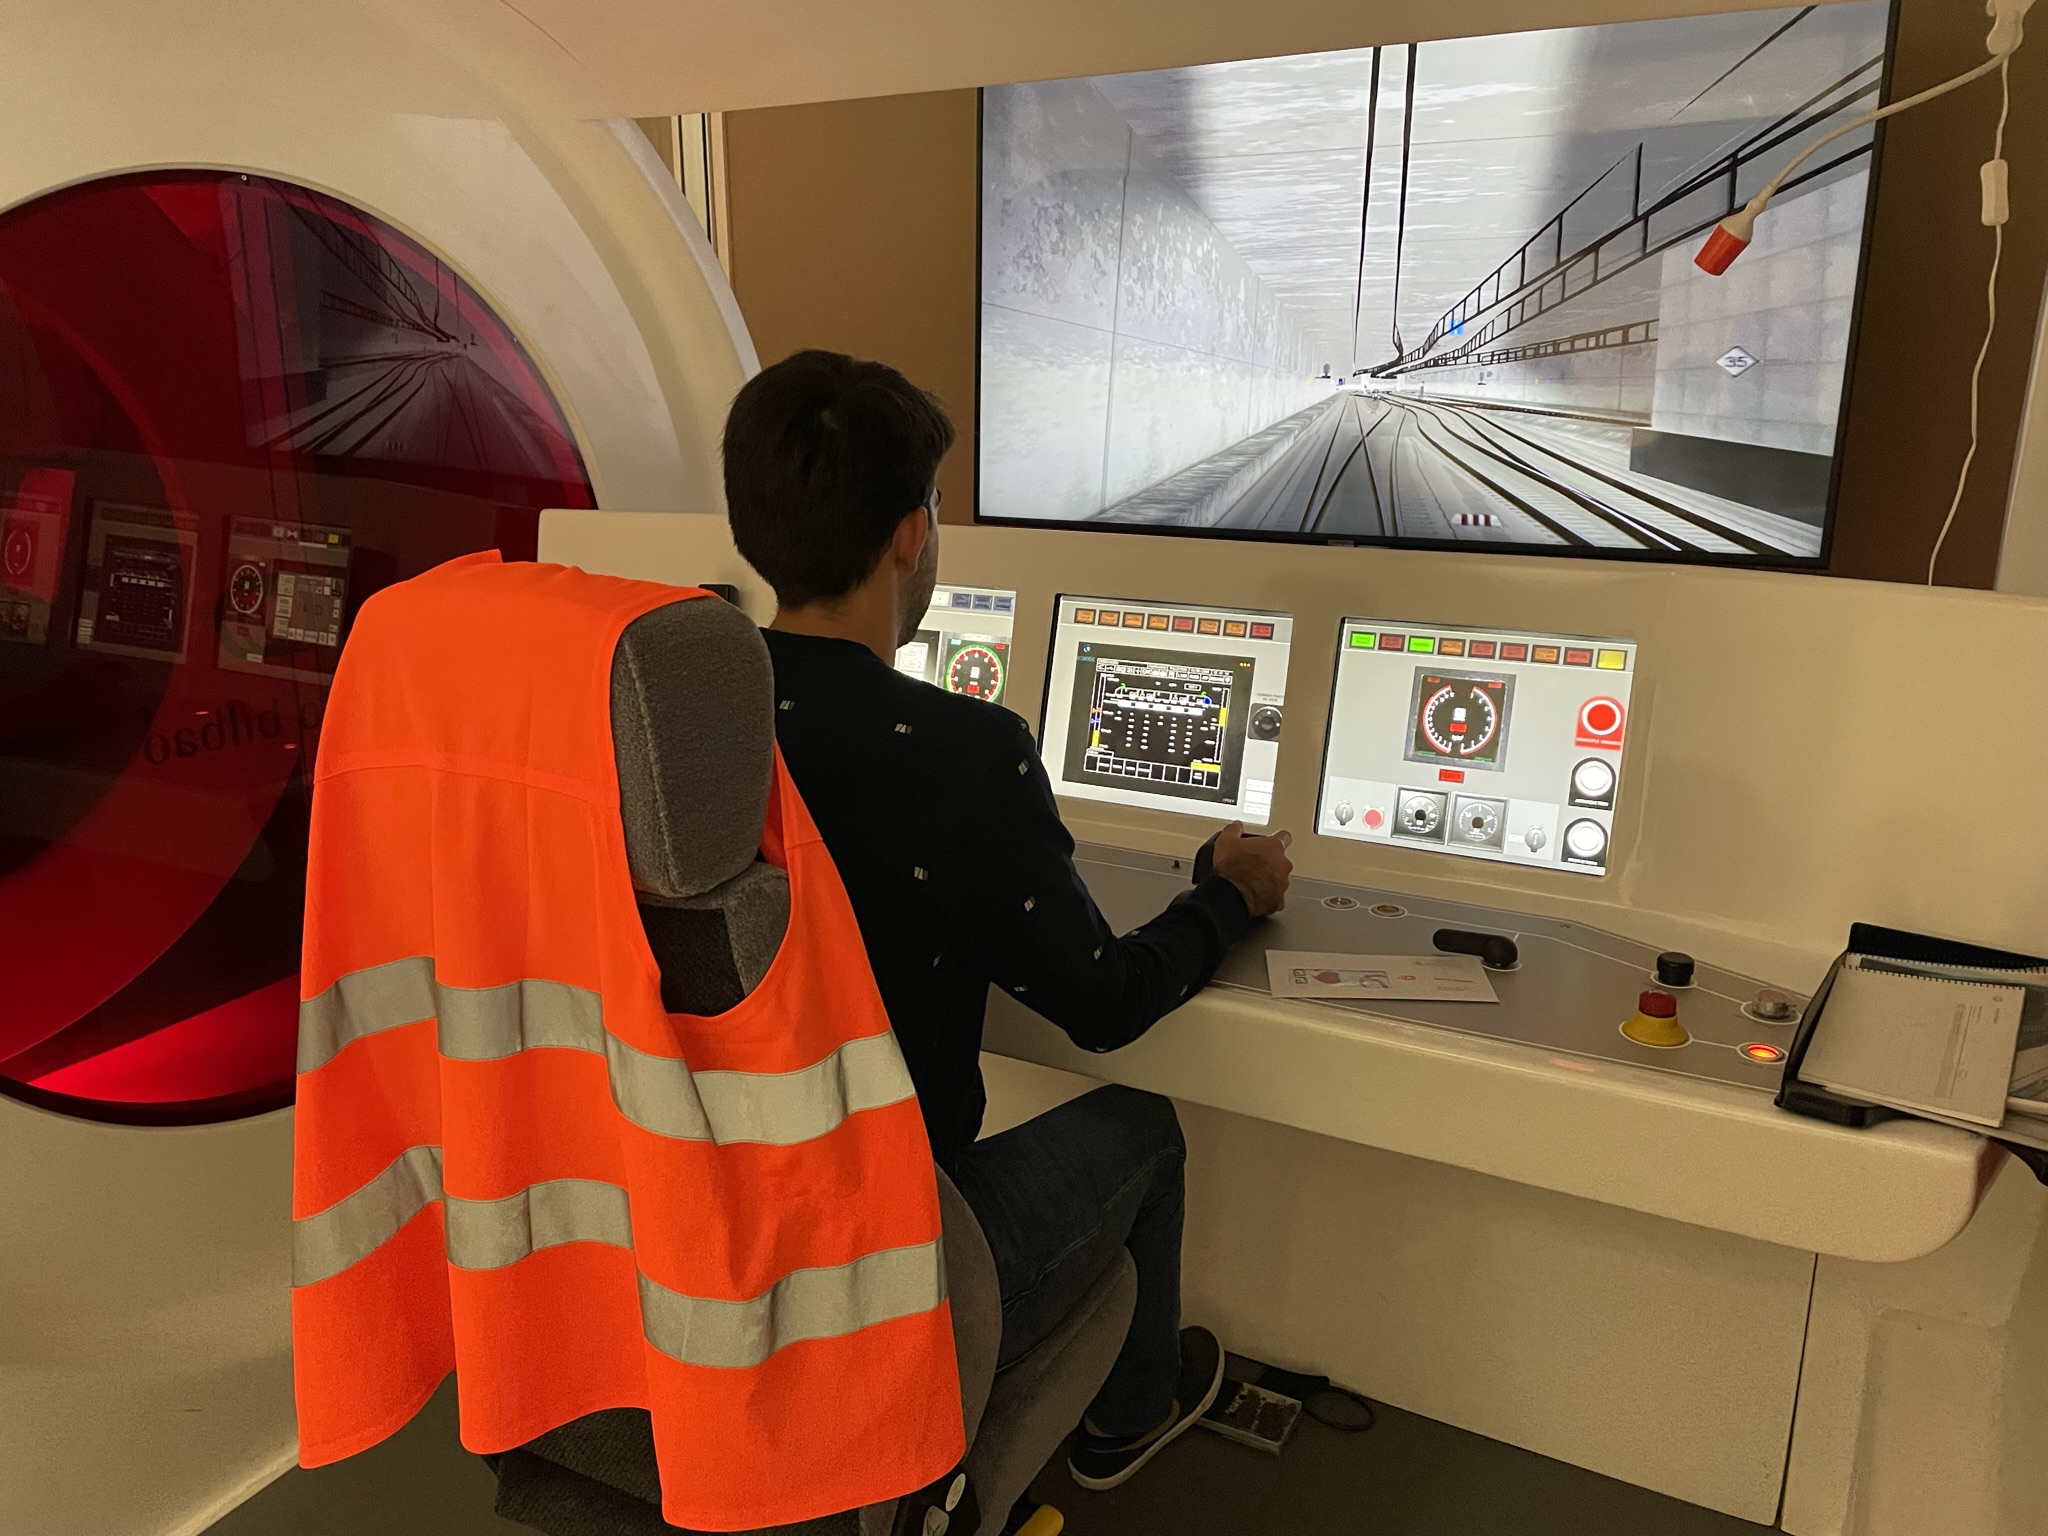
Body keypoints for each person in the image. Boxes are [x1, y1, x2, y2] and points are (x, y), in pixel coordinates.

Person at [721, 350, 1294, 1496]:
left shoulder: (686, 722)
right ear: (908, 536)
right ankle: (1130, 1415)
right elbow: (1105, 1004)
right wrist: (1227, 896)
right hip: (895, 1254)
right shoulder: (959, 755)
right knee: (1145, 1129)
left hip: (717, 1229)